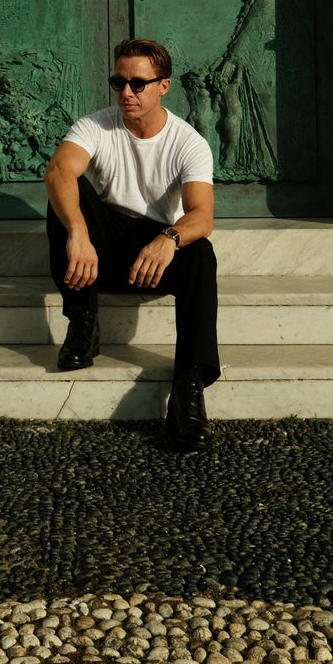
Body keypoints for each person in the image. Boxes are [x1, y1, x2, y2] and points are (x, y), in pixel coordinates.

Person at [43, 37, 220, 451]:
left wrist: (169, 237)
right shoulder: (96, 125)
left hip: (153, 255)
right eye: (119, 82)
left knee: (200, 252)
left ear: (164, 86)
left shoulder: (188, 142)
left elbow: (202, 216)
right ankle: (83, 324)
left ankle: (189, 390)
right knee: (63, 189)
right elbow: (59, 170)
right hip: (101, 248)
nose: (126, 93)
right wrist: (80, 233)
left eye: (138, 84)